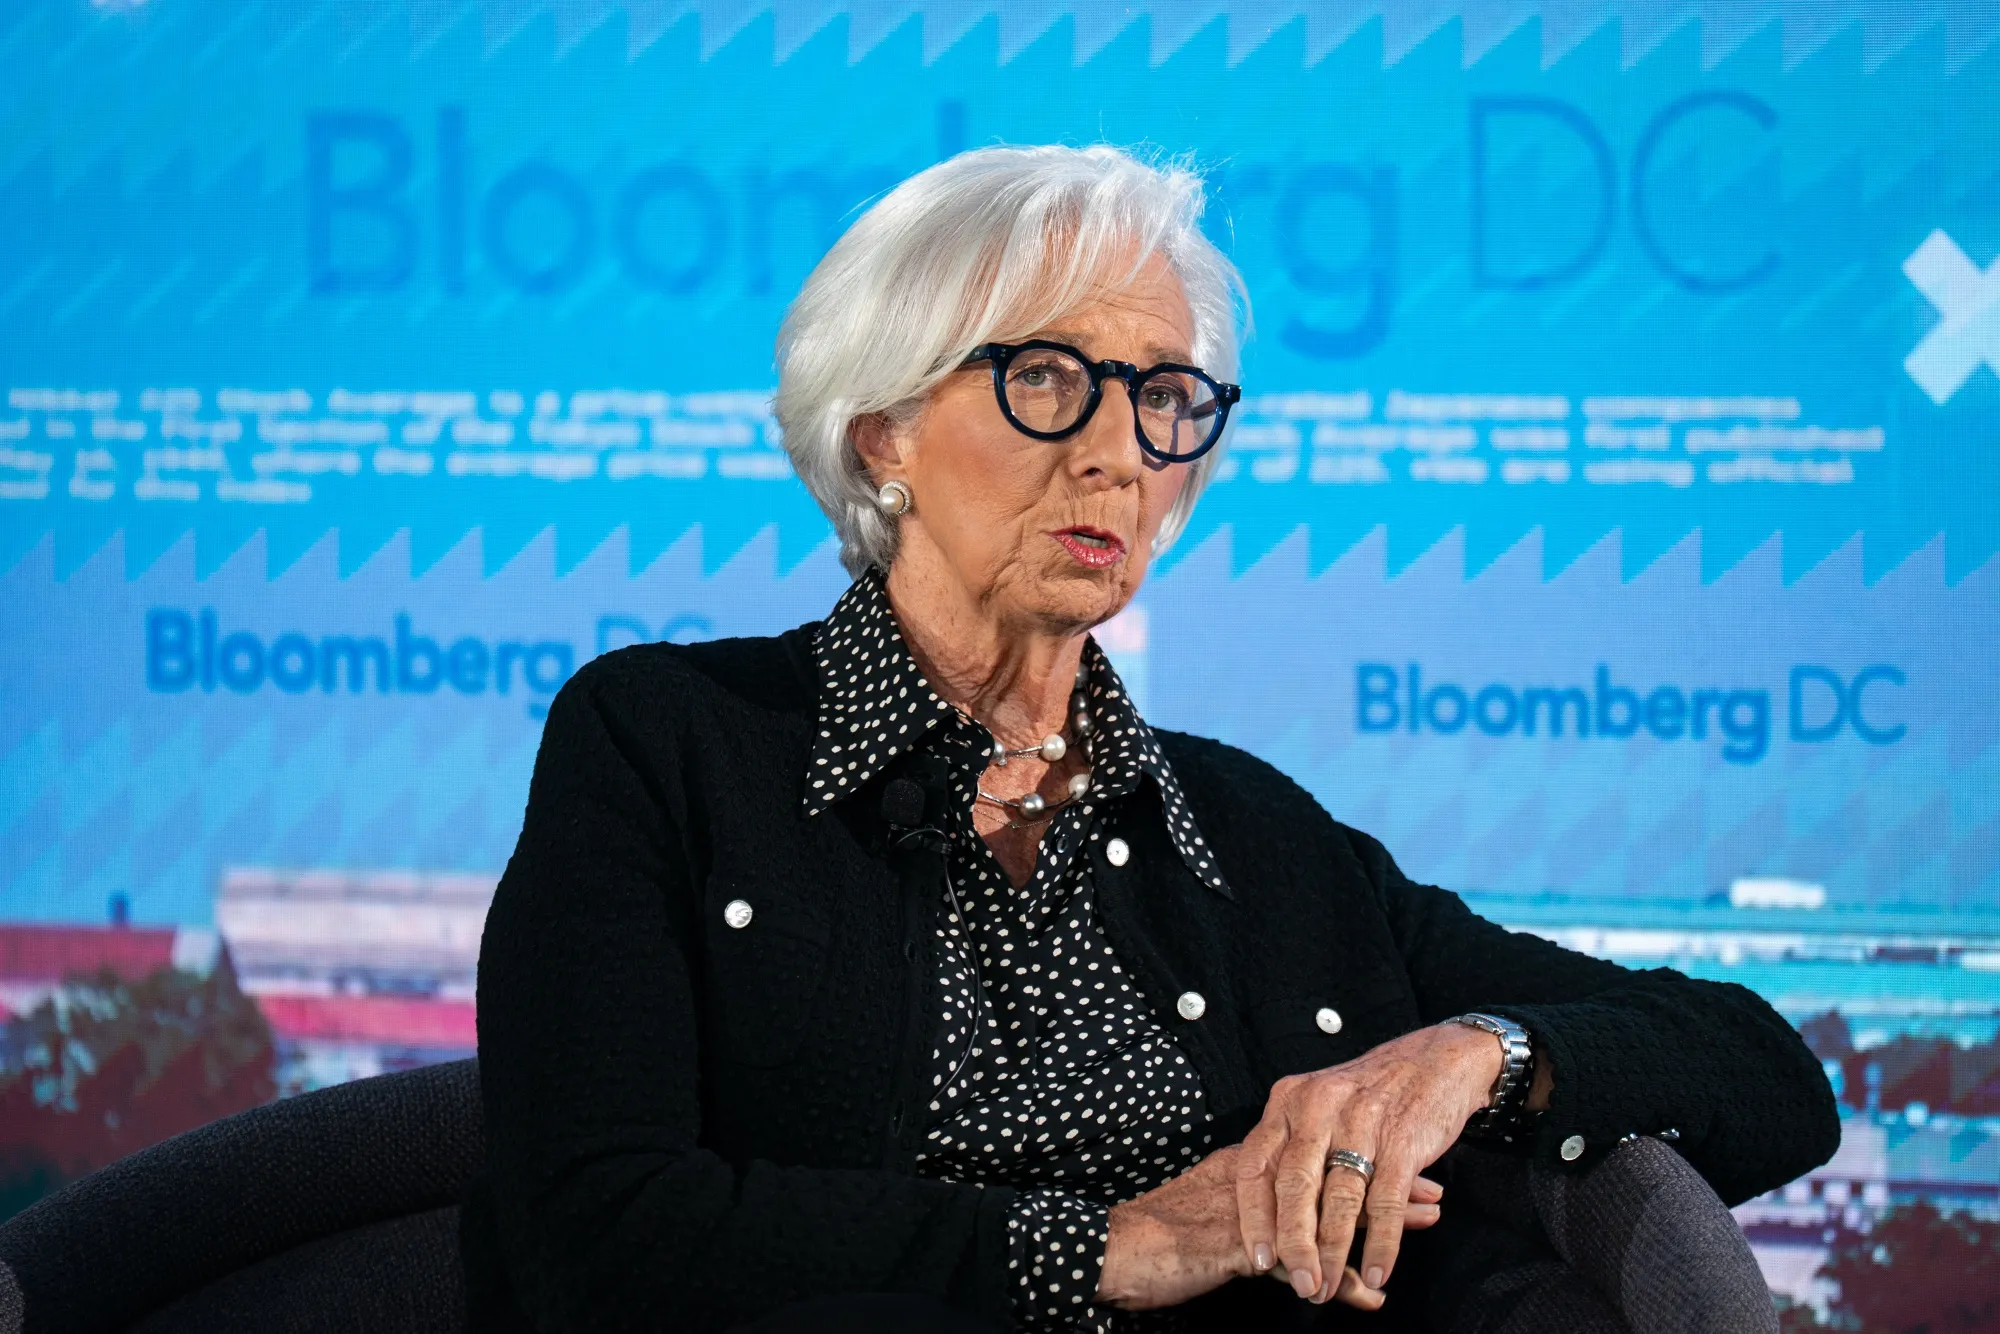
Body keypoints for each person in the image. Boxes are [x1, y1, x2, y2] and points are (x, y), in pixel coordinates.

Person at [460, 145, 1838, 1333]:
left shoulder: (1254, 839)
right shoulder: (665, 743)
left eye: (1165, 397)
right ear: (882, 434)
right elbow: (595, 1229)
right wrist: (1112, 1248)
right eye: (1049, 379)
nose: (1121, 451)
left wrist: (1475, 1050)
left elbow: (1769, 1077)